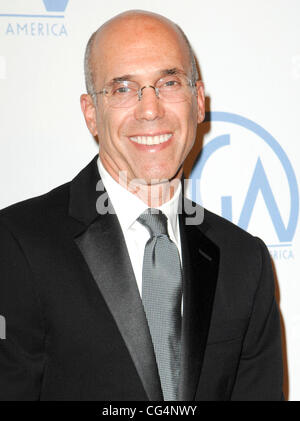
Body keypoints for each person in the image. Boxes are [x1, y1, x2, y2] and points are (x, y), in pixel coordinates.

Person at [0, 10, 284, 401]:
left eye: (168, 83)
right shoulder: (16, 244)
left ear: (198, 102)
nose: (150, 109)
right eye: (122, 89)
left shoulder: (244, 260)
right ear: (90, 114)